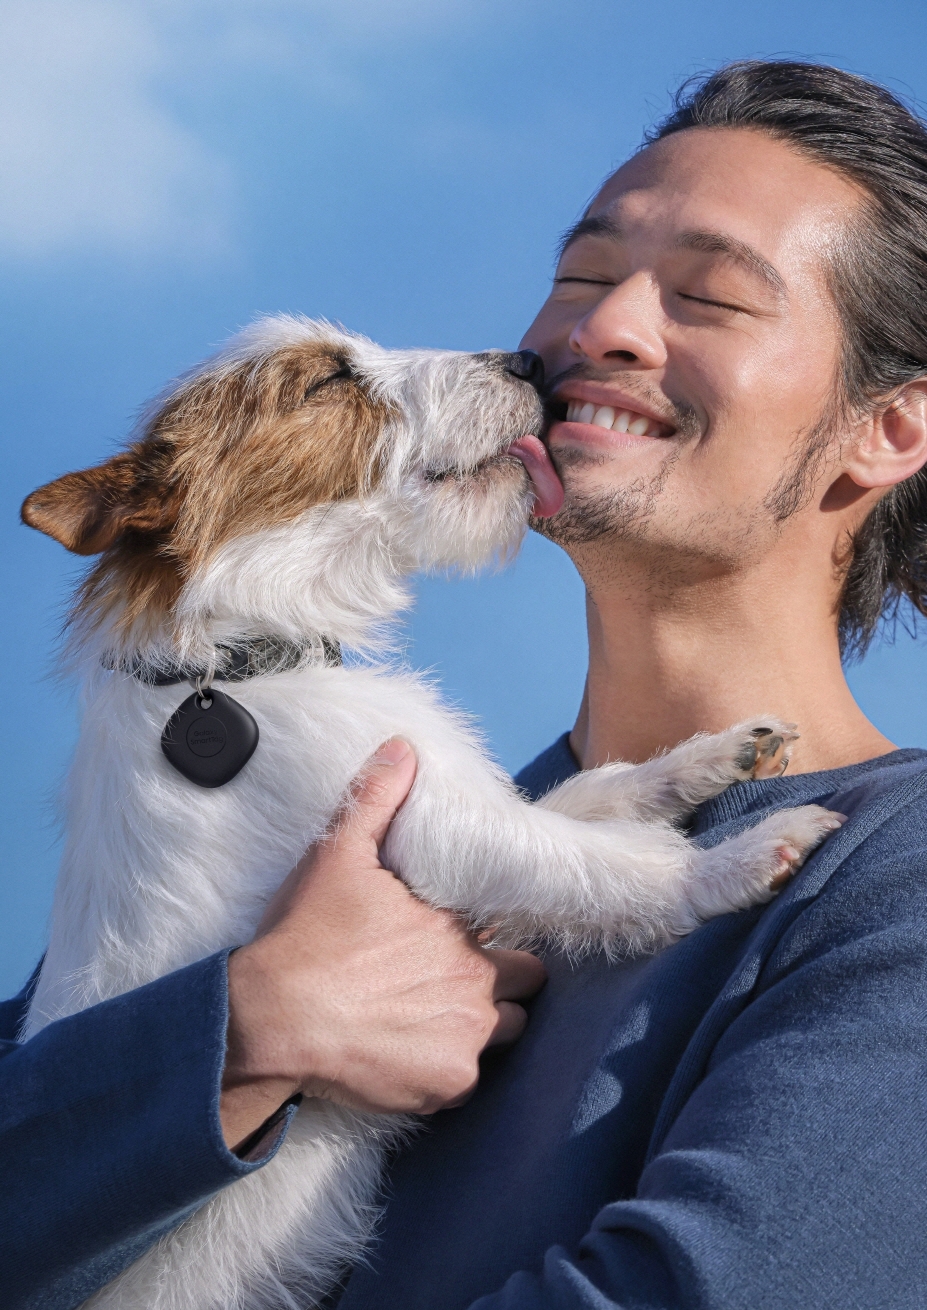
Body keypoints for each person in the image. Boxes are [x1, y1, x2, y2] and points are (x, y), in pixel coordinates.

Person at [5, 57, 927, 1309]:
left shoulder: (892, 879)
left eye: (710, 296)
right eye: (583, 276)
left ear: (894, 428)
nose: (601, 328)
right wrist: (249, 1030)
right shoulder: (310, 855)